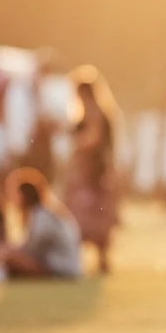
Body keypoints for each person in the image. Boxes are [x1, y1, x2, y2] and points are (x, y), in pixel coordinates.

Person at [64, 67, 120, 274]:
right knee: (94, 215)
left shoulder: (94, 113)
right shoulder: (102, 112)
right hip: (94, 171)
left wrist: (77, 144)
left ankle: (85, 259)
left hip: (91, 172)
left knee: (87, 213)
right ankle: (98, 258)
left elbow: (92, 139)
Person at [0, 168, 82, 279]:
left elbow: (32, 249)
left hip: (61, 269)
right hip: (63, 267)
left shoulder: (42, 216)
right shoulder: (45, 212)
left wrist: (7, 251)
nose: (12, 199)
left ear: (23, 196)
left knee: (9, 257)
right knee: (8, 256)